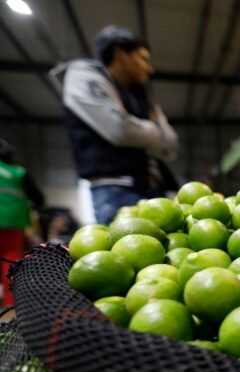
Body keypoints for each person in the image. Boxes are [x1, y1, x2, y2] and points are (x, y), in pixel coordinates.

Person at [55, 25, 179, 224]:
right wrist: (155, 130)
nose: (150, 68)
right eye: (143, 59)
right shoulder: (84, 76)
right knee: (125, 250)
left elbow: (171, 145)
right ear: (121, 54)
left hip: (153, 188)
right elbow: (120, 130)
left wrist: (139, 129)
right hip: (116, 191)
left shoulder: (141, 96)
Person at [0, 139, 45, 307]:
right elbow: (39, 199)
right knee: (10, 260)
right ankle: (11, 304)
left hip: (12, 222)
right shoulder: (19, 172)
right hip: (13, 221)